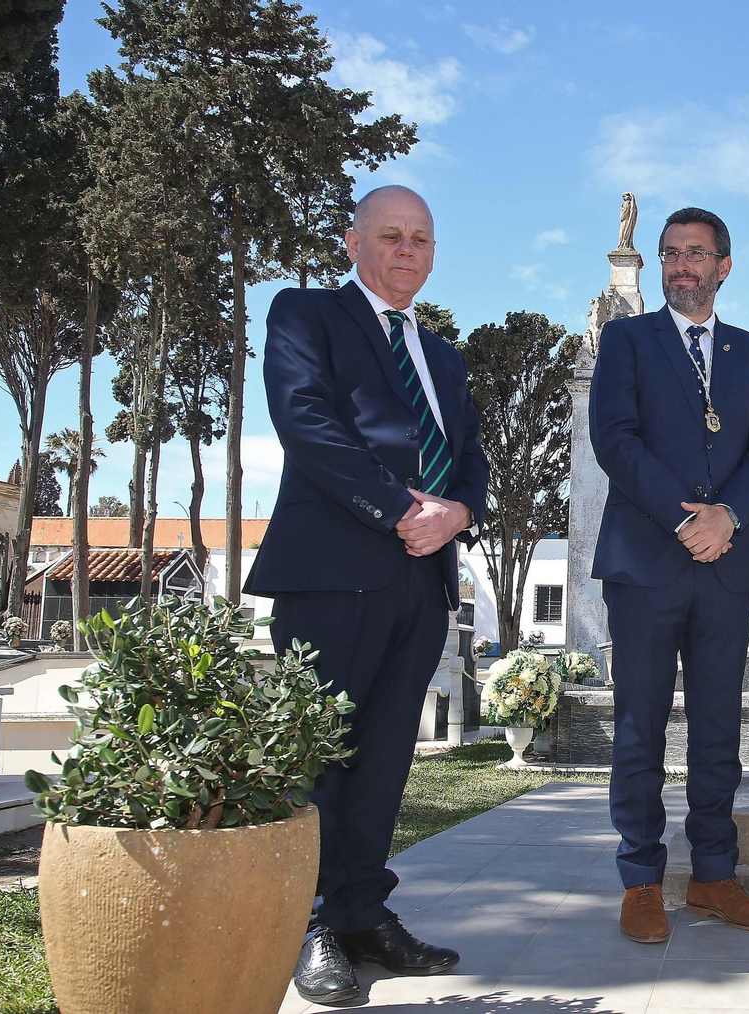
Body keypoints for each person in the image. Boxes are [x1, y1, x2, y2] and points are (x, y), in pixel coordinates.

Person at [246, 185, 489, 1004]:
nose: (407, 251)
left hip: (421, 583)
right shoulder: (305, 315)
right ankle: (308, 925)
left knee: (385, 761)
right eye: (390, 236)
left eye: (421, 238)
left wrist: (456, 512)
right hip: (330, 576)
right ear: (353, 242)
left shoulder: (444, 357)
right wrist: (400, 510)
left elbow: (471, 462)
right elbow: (307, 422)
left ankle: (361, 918)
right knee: (319, 759)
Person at [589, 206, 749, 943]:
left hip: (725, 566)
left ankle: (713, 876)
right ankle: (641, 881)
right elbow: (615, 439)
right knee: (639, 728)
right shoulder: (627, 339)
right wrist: (685, 518)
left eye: (695, 254)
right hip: (645, 565)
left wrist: (726, 516)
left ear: (723, 267)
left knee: (717, 731)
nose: (680, 266)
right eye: (671, 253)